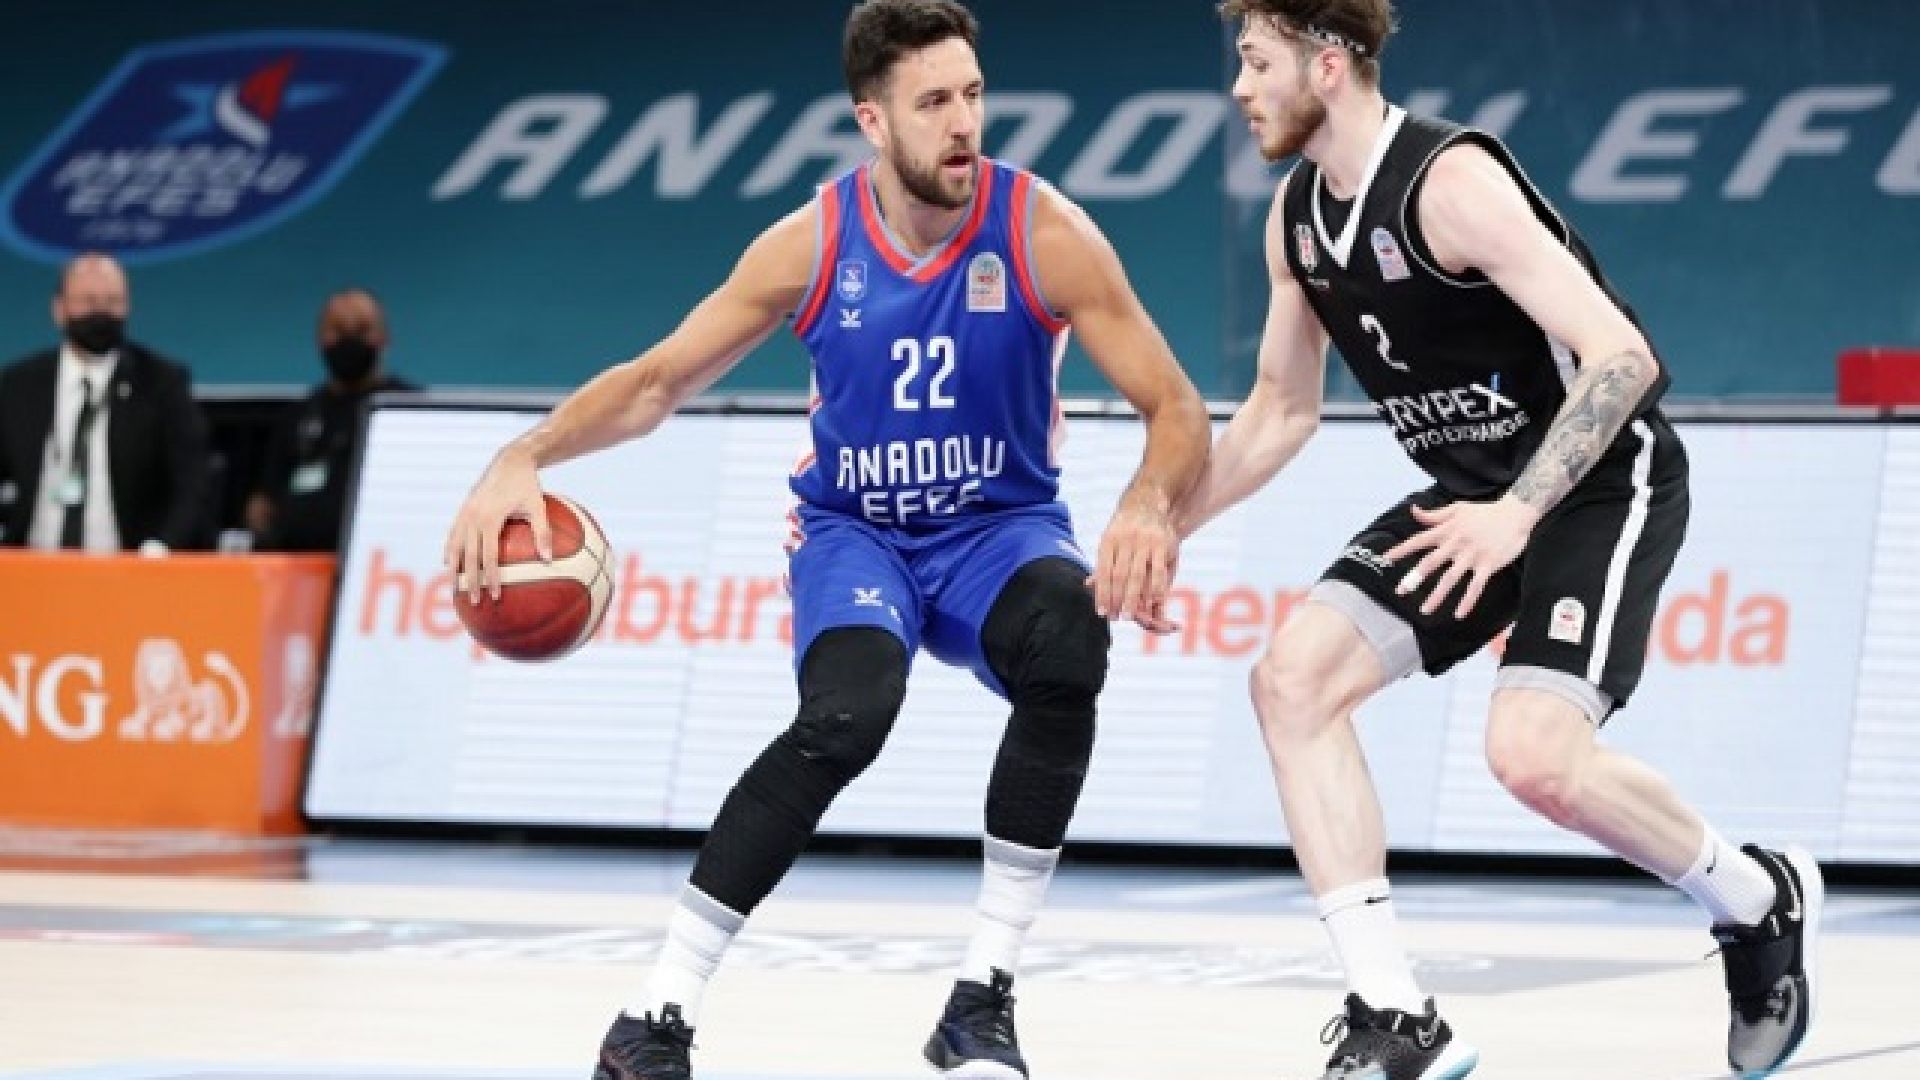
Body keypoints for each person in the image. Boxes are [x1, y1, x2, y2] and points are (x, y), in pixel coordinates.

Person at [443, 2, 1209, 1076]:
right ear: (872, 119)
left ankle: (981, 1001)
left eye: (973, 95)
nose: (963, 123)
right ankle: (652, 1017)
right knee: (848, 714)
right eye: (933, 102)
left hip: (998, 528)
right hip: (859, 532)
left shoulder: (1045, 232)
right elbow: (657, 381)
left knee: (1069, 646)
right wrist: (523, 454)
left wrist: (1146, 506)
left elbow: (1178, 409)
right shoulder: (812, 242)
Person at [1178, 3, 1823, 1078]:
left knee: (1534, 760)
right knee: (1291, 683)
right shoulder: (1296, 216)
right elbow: (1281, 412)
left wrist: (1519, 514)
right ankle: (1396, 1016)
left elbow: (1622, 358)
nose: (1240, 89)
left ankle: (1758, 901)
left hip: (1598, 481)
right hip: (1473, 495)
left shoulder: (1450, 183)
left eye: (1256, 62)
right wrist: (1166, 526)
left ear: (1326, 64)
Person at [0, 252, 210, 553]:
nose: (101, 312)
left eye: (113, 302)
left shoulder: (160, 382)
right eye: (88, 301)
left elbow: (193, 480)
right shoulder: (19, 384)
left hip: (128, 565)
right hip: (31, 564)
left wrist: (161, 547)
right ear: (59, 309)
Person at [248, 288, 418, 552]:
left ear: (384, 338)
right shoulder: (299, 416)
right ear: (319, 338)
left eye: (361, 330)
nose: (348, 340)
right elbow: (263, 502)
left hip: (382, 560)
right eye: (337, 330)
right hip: (299, 559)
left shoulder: (407, 411)